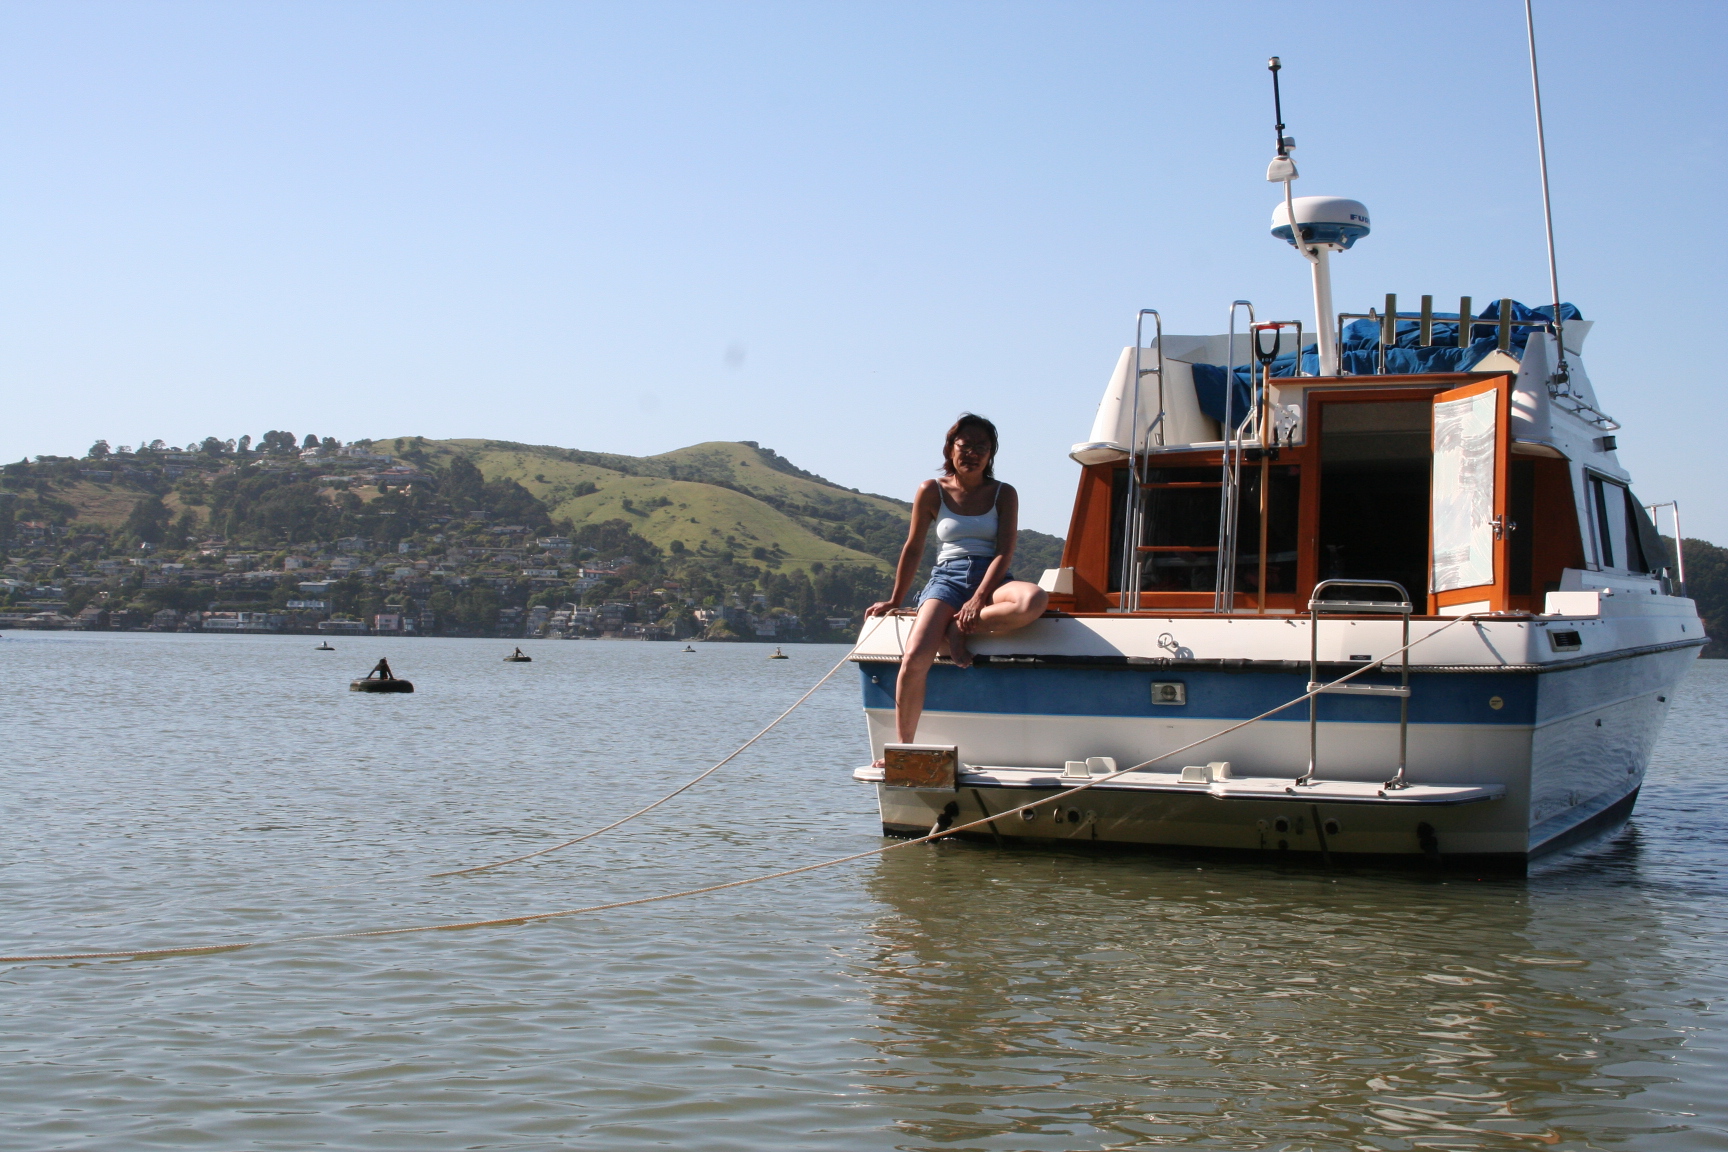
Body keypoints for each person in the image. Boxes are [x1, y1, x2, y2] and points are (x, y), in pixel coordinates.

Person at [865, 414, 1048, 756]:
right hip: (946, 578)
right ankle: (904, 747)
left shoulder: (1004, 493)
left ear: (991, 454)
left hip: (991, 579)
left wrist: (978, 599)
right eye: (965, 446)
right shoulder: (931, 490)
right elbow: (914, 547)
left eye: (982, 447)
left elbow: (1004, 551)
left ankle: (955, 628)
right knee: (915, 658)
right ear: (950, 449)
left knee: (1033, 600)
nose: (972, 454)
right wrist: (895, 599)